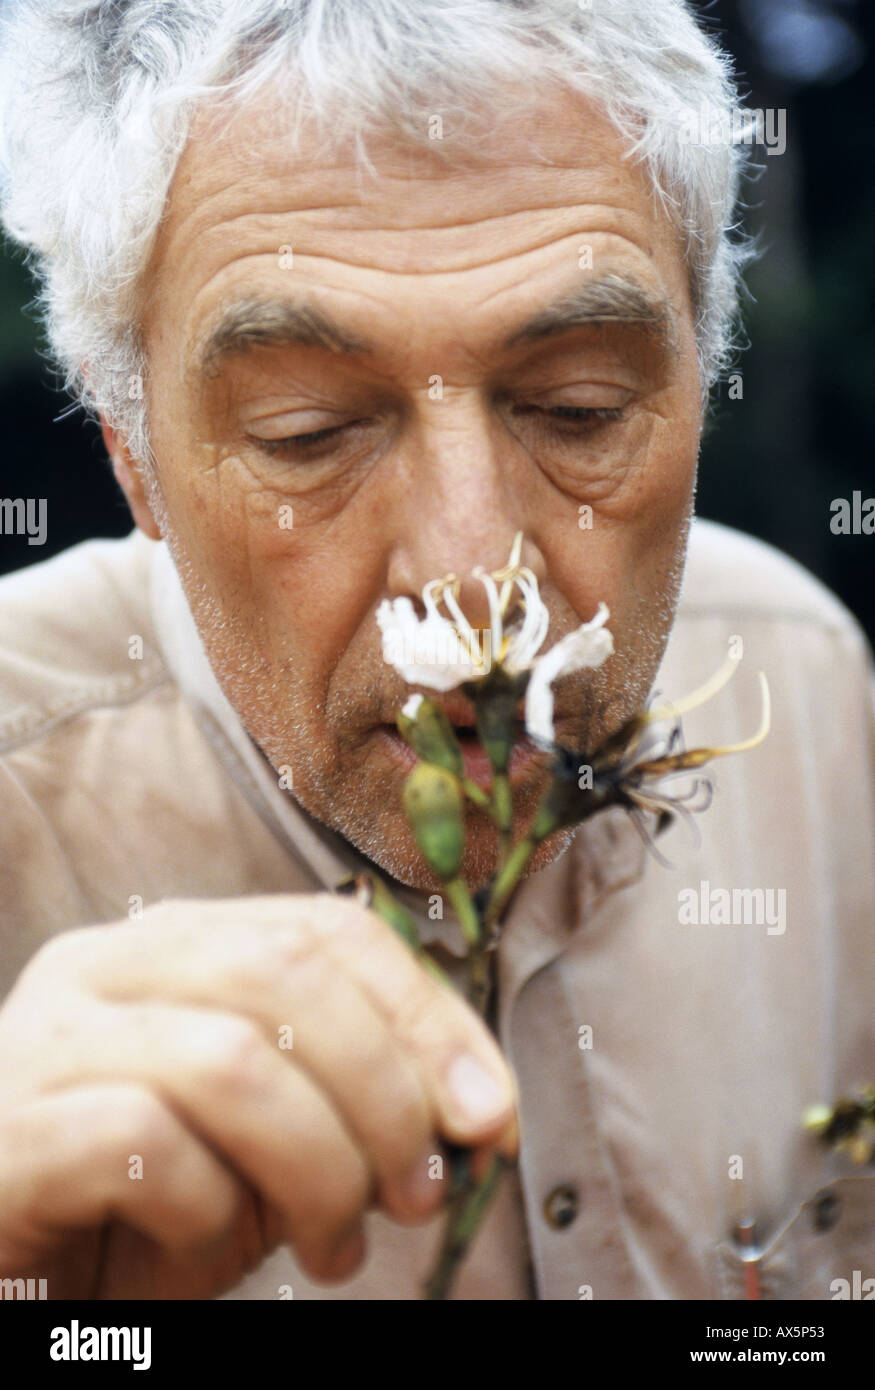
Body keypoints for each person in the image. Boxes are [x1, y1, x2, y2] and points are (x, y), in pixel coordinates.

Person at [0, 0, 872, 1301]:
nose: (475, 576)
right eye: (307, 433)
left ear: (703, 374)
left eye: (579, 410)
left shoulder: (803, 682)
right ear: (137, 465)